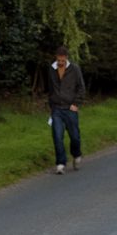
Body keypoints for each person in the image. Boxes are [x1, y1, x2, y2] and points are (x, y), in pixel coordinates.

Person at [47, 45, 85, 174]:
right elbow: (50, 89)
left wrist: (76, 103)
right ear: (56, 58)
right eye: (59, 60)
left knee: (74, 136)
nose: (60, 63)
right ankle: (60, 163)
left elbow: (81, 87)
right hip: (57, 109)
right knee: (57, 136)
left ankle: (76, 154)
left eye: (63, 61)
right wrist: (51, 105)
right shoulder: (51, 70)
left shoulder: (74, 69)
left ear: (66, 58)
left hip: (70, 108)